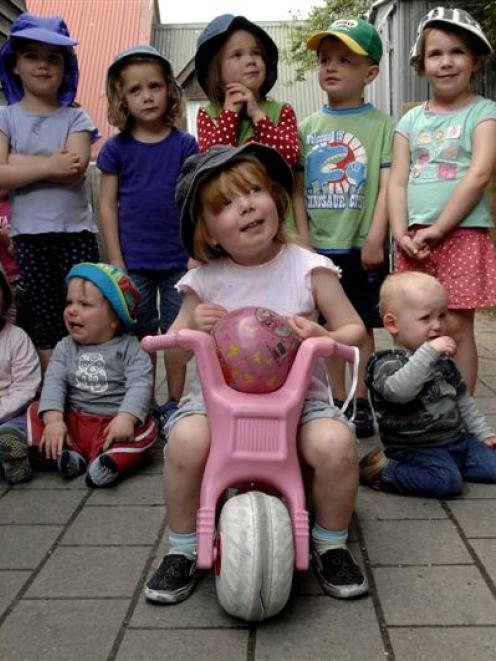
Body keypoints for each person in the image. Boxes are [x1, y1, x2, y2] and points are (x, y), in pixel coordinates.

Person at [144, 143, 369, 605]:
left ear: (275, 198)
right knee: (185, 442)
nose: (245, 205)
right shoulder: (204, 280)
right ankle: (184, 547)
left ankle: (330, 542)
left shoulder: (310, 269)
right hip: (217, 398)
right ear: (207, 233)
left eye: (253, 191)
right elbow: (174, 346)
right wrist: (189, 330)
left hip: (299, 398)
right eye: (225, 205)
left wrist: (319, 332)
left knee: (335, 445)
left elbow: (355, 331)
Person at [294, 17, 394, 438]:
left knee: (360, 329)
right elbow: (296, 188)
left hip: (359, 247)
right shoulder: (307, 128)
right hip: (317, 247)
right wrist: (302, 238)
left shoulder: (382, 126)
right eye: (324, 60)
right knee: (325, 331)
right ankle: (338, 399)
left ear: (369, 73)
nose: (330, 67)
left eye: (345, 61)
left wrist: (376, 236)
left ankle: (363, 399)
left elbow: (388, 185)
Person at [388, 7, 496, 394]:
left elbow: (479, 173)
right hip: (414, 241)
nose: (446, 62)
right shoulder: (410, 121)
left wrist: (439, 227)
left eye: (457, 52)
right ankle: (423, 406)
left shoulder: (485, 113)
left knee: (458, 328)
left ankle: (464, 416)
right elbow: (397, 180)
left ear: (475, 60)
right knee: (415, 326)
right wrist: (400, 233)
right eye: (435, 53)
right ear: (421, 64)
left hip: (462, 236)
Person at [97, 45, 198, 428]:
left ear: (170, 91)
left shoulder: (184, 145)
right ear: (122, 98)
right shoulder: (115, 148)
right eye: (136, 90)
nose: (147, 96)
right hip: (133, 262)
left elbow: (193, 202)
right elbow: (107, 206)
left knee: (176, 337)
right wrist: (116, 262)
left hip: (178, 260)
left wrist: (196, 253)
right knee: (141, 337)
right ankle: (141, 404)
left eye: (154, 86)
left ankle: (174, 402)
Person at [0, 13, 100, 372]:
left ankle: (88, 392)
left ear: (65, 67)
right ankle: (56, 395)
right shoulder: (5, 117)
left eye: (53, 57)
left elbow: (73, 169)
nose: (42, 64)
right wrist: (46, 166)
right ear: (14, 64)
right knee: (45, 318)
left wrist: (17, 163)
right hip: (29, 237)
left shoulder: (76, 118)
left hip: (76, 235)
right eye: (31, 55)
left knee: (86, 312)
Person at [360, 271, 496, 498]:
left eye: (442, 316)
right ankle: (384, 470)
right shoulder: (385, 363)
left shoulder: (441, 360)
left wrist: (483, 433)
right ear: (393, 324)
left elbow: (462, 398)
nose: (437, 326)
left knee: (491, 467)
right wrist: (428, 352)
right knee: (447, 484)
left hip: (457, 442)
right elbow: (399, 392)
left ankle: (450, 467)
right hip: (415, 450)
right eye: (425, 318)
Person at [27, 263, 158, 487]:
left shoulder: (130, 349)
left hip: (113, 426)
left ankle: (111, 461)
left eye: (85, 304)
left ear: (115, 319)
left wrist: (126, 417)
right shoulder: (65, 347)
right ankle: (70, 455)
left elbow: (140, 384)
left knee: (147, 430)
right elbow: (54, 382)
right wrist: (55, 420)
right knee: (34, 410)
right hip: (74, 422)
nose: (72, 310)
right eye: (69, 302)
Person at [194, 14, 299, 167]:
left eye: (256, 53)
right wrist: (229, 114)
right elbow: (211, 162)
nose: (251, 61)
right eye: (237, 55)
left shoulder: (282, 111)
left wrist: (258, 115)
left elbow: (290, 157)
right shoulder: (208, 114)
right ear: (215, 73)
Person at [0, 265, 41, 484]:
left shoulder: (16, 337)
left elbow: (26, 387)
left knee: (24, 423)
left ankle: (15, 458)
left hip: (12, 411)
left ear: (5, 298)